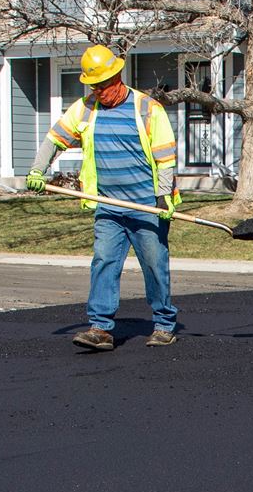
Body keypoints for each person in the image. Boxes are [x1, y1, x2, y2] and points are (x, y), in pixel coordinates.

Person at [30, 44, 181, 351]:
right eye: (93, 86)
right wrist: (37, 170)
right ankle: (100, 328)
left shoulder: (147, 108)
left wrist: (163, 198)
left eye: (102, 85)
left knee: (154, 263)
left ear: (117, 78)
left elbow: (165, 157)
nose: (97, 91)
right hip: (108, 206)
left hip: (146, 206)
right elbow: (53, 139)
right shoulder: (85, 108)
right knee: (103, 262)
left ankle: (164, 324)